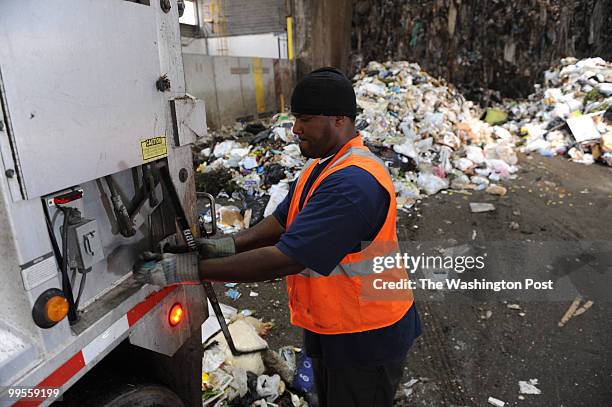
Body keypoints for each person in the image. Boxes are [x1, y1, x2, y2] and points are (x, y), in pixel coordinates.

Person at [136, 67, 421, 407]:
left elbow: (285, 257)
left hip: (366, 335)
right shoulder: (323, 166)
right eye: (295, 118)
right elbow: (282, 220)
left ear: (340, 120)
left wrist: (186, 270)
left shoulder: (353, 183)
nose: (295, 129)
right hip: (335, 325)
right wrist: (227, 245)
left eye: (306, 119)